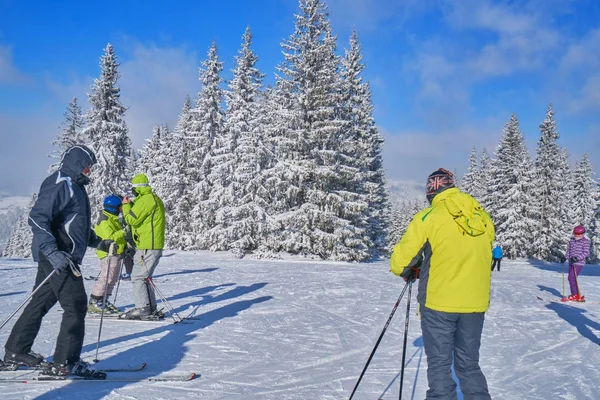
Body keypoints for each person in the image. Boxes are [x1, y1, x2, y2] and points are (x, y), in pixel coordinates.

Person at [3, 145, 110, 378]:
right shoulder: (61, 183)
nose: (89, 170)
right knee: (77, 304)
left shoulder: (75, 186)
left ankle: (15, 351)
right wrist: (51, 251)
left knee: (39, 303)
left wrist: (99, 242)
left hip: (59, 255)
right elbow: (38, 217)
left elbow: (75, 225)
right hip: (59, 257)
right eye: (87, 165)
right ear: (76, 162)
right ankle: (65, 362)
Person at [390, 168, 495, 399]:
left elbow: (400, 262)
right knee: (469, 365)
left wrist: (411, 269)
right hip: (475, 303)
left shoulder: (429, 217)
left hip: (439, 303)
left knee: (439, 365)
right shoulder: (482, 217)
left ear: (431, 191)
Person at [119, 173, 165, 320]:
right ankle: (150, 307)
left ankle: (143, 308)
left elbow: (131, 219)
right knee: (145, 277)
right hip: (150, 244)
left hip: (147, 245)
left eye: (133, 189)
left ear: (138, 189)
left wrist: (126, 206)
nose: (132, 192)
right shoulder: (151, 199)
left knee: (138, 277)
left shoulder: (146, 200)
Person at [88, 195, 128, 315]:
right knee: (106, 277)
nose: (121, 210)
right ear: (113, 208)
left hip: (117, 252)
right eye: (119, 208)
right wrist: (124, 231)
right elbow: (109, 238)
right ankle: (95, 301)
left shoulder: (113, 218)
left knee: (113, 279)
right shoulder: (104, 220)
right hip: (108, 253)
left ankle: (104, 300)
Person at [561, 225, 591, 303]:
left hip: (579, 263)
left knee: (571, 277)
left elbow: (586, 253)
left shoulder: (585, 242)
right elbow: (569, 251)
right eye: (575, 233)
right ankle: (576, 294)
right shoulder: (572, 241)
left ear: (583, 234)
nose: (577, 235)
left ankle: (575, 295)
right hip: (571, 262)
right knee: (571, 278)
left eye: (579, 234)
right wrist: (565, 257)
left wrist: (577, 258)